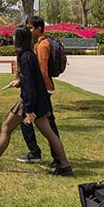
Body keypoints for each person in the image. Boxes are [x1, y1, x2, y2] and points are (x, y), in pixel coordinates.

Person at [0, 25, 73, 176]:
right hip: (34, 102)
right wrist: (19, 82)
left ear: (18, 39)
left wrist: (29, 109)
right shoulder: (28, 55)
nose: (12, 38)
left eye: (14, 36)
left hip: (31, 104)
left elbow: (31, 86)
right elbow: (30, 81)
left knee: (8, 128)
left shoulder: (26, 57)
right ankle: (64, 165)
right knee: (47, 133)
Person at [14, 15, 62, 168]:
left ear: (39, 29)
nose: (28, 31)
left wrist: (30, 92)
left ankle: (46, 156)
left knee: (44, 126)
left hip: (42, 92)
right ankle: (50, 156)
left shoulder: (42, 46)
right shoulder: (39, 44)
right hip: (40, 92)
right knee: (45, 127)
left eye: (30, 28)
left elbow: (40, 72)